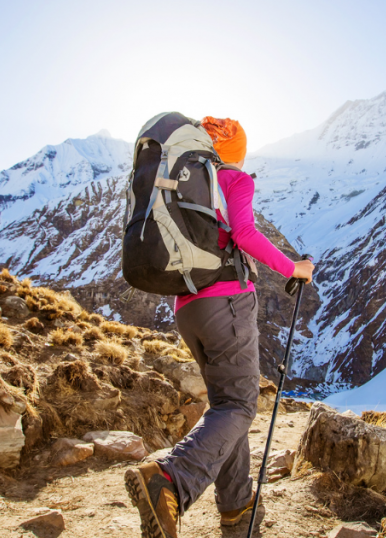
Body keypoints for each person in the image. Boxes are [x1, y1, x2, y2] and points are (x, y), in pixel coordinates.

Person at [124, 117, 315, 538]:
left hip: (187, 308)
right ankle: (171, 478)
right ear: (236, 151)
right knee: (240, 405)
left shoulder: (186, 179)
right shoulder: (233, 179)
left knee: (226, 406)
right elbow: (244, 233)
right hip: (225, 303)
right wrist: (294, 268)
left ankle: (237, 507)